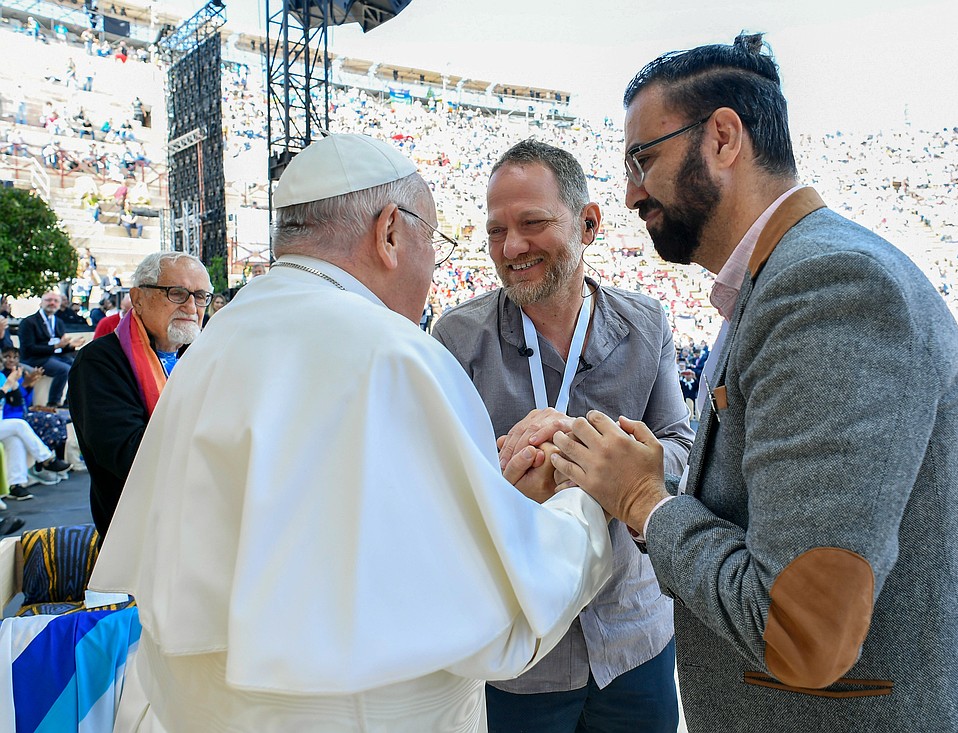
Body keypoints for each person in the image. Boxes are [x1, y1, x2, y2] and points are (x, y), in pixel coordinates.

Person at [549, 35, 958, 732]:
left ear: (723, 137)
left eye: (642, 159)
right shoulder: (779, 281)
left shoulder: (827, 286)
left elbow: (802, 630)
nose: (629, 193)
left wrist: (643, 499)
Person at [88, 134, 613, 732]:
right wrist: (586, 499)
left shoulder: (216, 340)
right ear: (390, 232)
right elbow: (494, 607)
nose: (433, 270)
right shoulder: (391, 353)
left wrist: (487, 490)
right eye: (433, 244)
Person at [432, 140, 692, 733]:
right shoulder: (456, 338)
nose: (511, 247)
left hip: (633, 639)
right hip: (522, 652)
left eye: (533, 223)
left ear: (590, 223)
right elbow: (438, 488)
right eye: (496, 231)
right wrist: (503, 481)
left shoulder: (646, 323)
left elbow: (681, 447)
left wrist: (597, 455)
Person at [69, 254, 210, 536]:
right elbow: (129, 455)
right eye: (177, 293)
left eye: (201, 295)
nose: (192, 306)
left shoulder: (202, 356)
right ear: (138, 298)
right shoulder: (100, 362)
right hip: (138, 535)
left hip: (200, 521)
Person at [18, 291, 85, 406]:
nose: (52, 303)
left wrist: (71, 346)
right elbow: (28, 348)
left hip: (55, 356)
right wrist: (56, 346)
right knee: (65, 370)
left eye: (56, 301)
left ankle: (70, 401)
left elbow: (60, 347)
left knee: (79, 366)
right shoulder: (29, 322)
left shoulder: (58, 322)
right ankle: (53, 402)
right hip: (35, 358)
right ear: (41, 303)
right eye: (49, 300)